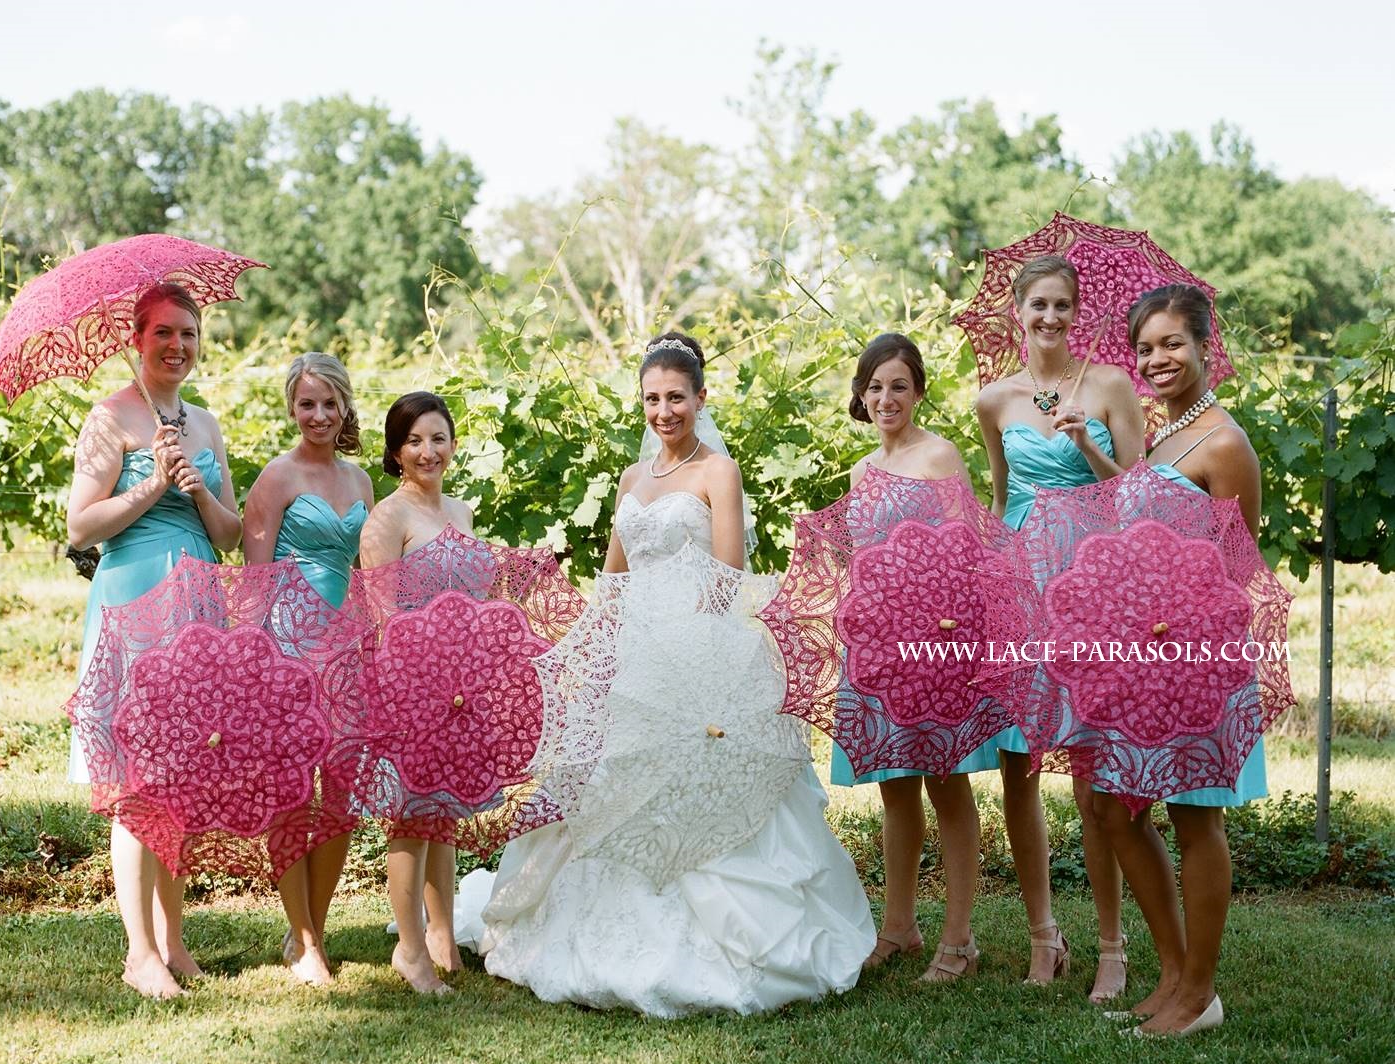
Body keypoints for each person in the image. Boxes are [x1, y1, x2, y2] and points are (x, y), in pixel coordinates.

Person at [474, 331, 875, 1017]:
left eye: (676, 397)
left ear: (700, 397)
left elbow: (727, 578)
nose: (664, 411)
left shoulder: (717, 471)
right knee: (610, 786)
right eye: (652, 399)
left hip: (698, 653)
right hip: (634, 656)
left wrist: (682, 647)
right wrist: (589, 650)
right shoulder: (634, 480)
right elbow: (612, 581)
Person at [1091, 284, 1268, 1035]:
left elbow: (1242, 571)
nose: (1157, 359)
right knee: (1113, 807)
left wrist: (1177, 619)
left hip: (1196, 658)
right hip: (1138, 652)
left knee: (1197, 822)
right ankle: (1170, 969)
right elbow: (1139, 516)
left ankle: (1200, 994)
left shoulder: (1223, 443)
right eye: (1146, 348)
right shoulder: (1164, 435)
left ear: (1204, 345)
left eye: (1172, 343)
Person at [65, 282, 242, 999]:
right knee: (138, 779)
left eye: (189, 333)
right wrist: (148, 487)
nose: (177, 345)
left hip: (197, 597)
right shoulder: (110, 417)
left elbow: (229, 534)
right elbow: (81, 525)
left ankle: (174, 939)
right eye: (164, 332)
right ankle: (139, 951)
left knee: (180, 776)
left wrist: (196, 487)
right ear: (137, 338)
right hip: (135, 596)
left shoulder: (204, 423)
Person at [975, 255, 1145, 998]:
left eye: (1062, 306)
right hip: (1018, 584)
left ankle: (1113, 945)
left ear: (1077, 313)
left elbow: (1141, 492)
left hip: (1092, 581)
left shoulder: (1108, 385)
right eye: (1038, 304)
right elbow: (1002, 496)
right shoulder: (993, 400)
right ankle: (1044, 935)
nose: (1050, 317)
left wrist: (1085, 442)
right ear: (1018, 309)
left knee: (1089, 767)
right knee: (1019, 763)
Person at [838, 333, 991, 980]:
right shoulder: (860, 472)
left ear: (919, 390)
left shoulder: (940, 456)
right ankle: (897, 925)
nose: (885, 397)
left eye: (898, 385)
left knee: (945, 786)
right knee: (894, 789)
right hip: (877, 644)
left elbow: (971, 548)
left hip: (936, 642)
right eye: (874, 386)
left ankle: (959, 939)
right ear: (861, 396)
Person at [242, 352, 372, 986]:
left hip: (345, 643)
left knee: (342, 789)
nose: (318, 415)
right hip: (288, 644)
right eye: (306, 404)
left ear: (344, 406)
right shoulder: (277, 476)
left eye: (328, 403)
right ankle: (305, 940)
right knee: (293, 792)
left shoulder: (360, 481)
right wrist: (254, 659)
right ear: (292, 408)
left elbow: (364, 572)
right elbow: (254, 576)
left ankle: (314, 931)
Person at [359, 391, 473, 995]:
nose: (428, 452)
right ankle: (409, 949)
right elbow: (382, 619)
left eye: (438, 438)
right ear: (396, 452)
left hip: (459, 681)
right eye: (414, 442)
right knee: (410, 816)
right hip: (410, 681)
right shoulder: (388, 520)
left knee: (442, 813)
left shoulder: (460, 511)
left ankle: (442, 936)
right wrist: (415, 686)